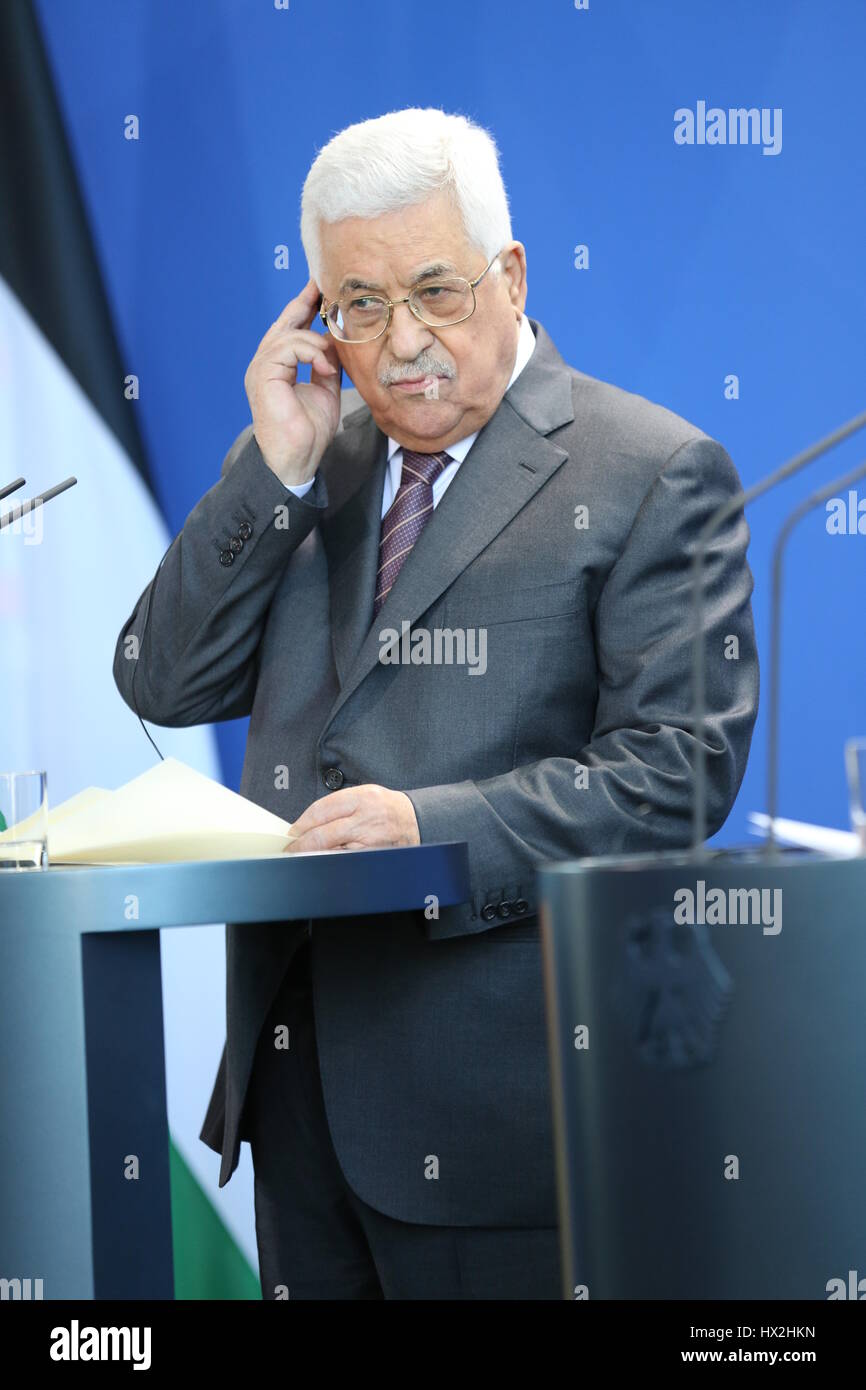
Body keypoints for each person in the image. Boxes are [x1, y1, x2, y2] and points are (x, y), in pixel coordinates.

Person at [113, 106, 759, 1300]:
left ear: (508, 277)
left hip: (510, 1118)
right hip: (297, 1099)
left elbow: (677, 773)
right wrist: (277, 465)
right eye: (358, 303)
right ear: (319, 315)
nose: (401, 339)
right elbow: (163, 677)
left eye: (434, 291)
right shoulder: (313, 456)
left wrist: (430, 825)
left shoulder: (651, 470)